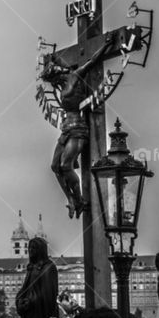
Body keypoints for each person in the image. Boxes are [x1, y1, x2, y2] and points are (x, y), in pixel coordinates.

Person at [42, 40, 112, 218]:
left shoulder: (75, 76)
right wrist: (55, 59)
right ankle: (71, 199)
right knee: (54, 166)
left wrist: (105, 45)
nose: (54, 82)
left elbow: (92, 61)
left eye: (53, 78)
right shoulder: (61, 84)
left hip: (78, 129)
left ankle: (79, 198)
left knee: (66, 165)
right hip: (66, 129)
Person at [16, 237, 58, 318]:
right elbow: (24, 288)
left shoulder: (49, 267)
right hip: (29, 314)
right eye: (29, 248)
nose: (30, 250)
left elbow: (48, 294)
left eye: (33, 248)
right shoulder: (31, 267)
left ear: (41, 250)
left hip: (41, 316)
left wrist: (31, 301)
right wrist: (19, 300)